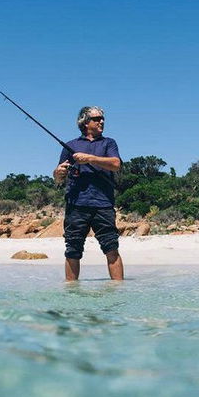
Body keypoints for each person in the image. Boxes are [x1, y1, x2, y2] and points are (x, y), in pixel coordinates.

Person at [54, 106, 124, 281]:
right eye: (97, 118)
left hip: (103, 204)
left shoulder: (108, 143)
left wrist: (89, 158)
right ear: (85, 122)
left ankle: (119, 292)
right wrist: (58, 173)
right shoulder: (71, 146)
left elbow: (116, 164)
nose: (101, 121)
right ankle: (71, 293)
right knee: (73, 249)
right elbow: (58, 176)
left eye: (102, 119)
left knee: (111, 248)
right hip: (76, 205)